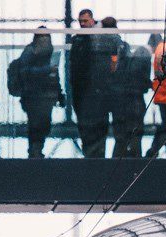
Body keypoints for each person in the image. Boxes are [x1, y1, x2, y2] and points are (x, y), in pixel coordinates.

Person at [8, 29, 62, 158]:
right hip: (33, 96)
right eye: (42, 37)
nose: (44, 40)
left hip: (46, 95)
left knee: (44, 124)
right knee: (36, 124)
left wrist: (59, 93)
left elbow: (55, 76)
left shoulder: (48, 53)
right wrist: (47, 70)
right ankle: (35, 149)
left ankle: (37, 148)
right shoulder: (30, 51)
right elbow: (25, 71)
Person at [67, 9, 110, 157]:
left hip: (93, 91)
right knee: (88, 127)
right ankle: (93, 157)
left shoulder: (97, 39)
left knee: (94, 127)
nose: (82, 24)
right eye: (81, 21)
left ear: (92, 20)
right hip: (84, 91)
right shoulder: (80, 39)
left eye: (85, 21)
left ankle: (94, 158)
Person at [105, 19, 150, 158]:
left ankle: (117, 168)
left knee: (120, 138)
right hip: (134, 102)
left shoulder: (112, 53)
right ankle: (135, 165)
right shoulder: (129, 52)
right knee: (135, 136)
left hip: (119, 102)